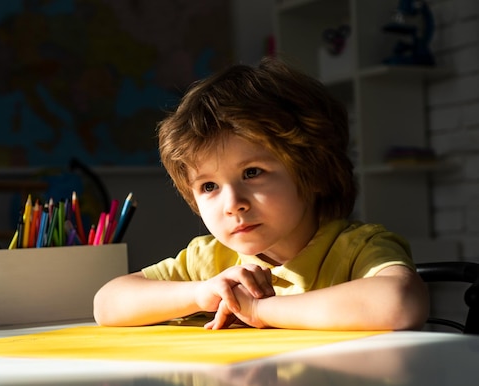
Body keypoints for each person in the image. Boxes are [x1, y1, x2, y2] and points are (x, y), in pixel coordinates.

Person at [93, 57, 429, 331]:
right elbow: (107, 303)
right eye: (209, 186)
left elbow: (399, 302)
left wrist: (259, 310)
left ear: (312, 170)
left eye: (252, 173)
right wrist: (200, 293)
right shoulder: (212, 262)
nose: (232, 203)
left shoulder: (356, 249)